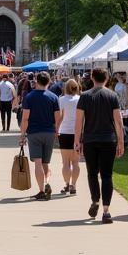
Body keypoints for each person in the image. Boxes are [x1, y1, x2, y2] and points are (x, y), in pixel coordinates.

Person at [74, 66, 124, 223]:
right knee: (107, 175)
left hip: (90, 140)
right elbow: (118, 121)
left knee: (92, 173)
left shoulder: (85, 96)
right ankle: (106, 210)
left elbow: (79, 121)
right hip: (108, 139)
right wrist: (121, 141)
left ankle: (95, 200)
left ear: (92, 78)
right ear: (107, 79)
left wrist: (77, 140)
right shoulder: (112, 95)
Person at [19, 71, 59, 200]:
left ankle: (41, 189)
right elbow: (57, 118)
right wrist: (56, 131)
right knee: (46, 163)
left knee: (38, 163)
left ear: (36, 81)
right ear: (49, 82)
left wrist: (22, 135)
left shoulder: (29, 97)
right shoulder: (53, 97)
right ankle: (47, 182)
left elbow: (25, 118)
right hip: (49, 132)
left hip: (34, 132)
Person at [55, 76, 81, 195]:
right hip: (77, 132)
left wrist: (56, 129)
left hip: (64, 131)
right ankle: (74, 185)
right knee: (75, 162)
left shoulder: (62, 99)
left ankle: (66, 184)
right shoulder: (80, 99)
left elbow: (60, 117)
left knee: (65, 161)